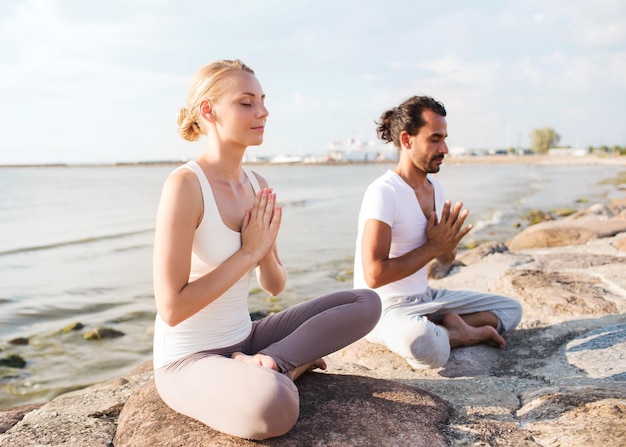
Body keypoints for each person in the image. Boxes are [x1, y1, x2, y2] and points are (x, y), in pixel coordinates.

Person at [152, 59, 381, 440]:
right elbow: (172, 308)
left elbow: (274, 286)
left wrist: (265, 249)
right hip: (188, 359)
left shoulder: (256, 183)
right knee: (274, 407)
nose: (263, 112)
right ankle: (287, 370)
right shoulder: (185, 186)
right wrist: (247, 251)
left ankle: (273, 362)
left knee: (366, 303)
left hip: (248, 339)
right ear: (209, 111)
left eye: (262, 100)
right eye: (246, 103)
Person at [353, 95, 522, 370]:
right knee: (421, 343)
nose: (444, 148)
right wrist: (432, 247)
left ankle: (442, 326)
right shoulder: (384, 192)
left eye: (444, 138)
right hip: (382, 308)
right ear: (407, 140)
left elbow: (445, 261)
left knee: (512, 310)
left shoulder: (435, 189)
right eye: (434, 139)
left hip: (427, 298)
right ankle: (461, 333)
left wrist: (447, 244)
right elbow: (374, 275)